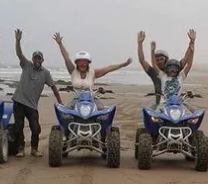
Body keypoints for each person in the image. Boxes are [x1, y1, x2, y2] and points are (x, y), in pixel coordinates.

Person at [13, 29, 63, 158]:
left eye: (39, 58)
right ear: (32, 59)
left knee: (36, 128)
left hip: (32, 105)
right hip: (19, 101)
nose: (37, 59)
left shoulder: (45, 73)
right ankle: (20, 149)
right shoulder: (26, 65)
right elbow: (19, 54)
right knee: (18, 127)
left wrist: (60, 102)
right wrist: (18, 41)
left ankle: (34, 149)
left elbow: (53, 87)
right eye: (35, 57)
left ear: (42, 60)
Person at [52, 32, 131, 108]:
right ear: (77, 63)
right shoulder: (73, 71)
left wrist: (123, 64)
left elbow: (108, 68)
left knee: (101, 109)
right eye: (80, 62)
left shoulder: (92, 73)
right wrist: (60, 44)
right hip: (77, 99)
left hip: (91, 99)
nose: (82, 64)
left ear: (88, 63)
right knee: (67, 110)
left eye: (84, 62)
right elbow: (66, 58)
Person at [137, 29, 196, 107]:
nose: (159, 61)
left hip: (175, 103)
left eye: (161, 59)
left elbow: (186, 60)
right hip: (160, 104)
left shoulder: (175, 68)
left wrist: (192, 42)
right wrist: (140, 43)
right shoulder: (155, 72)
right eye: (157, 60)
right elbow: (142, 60)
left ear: (166, 59)